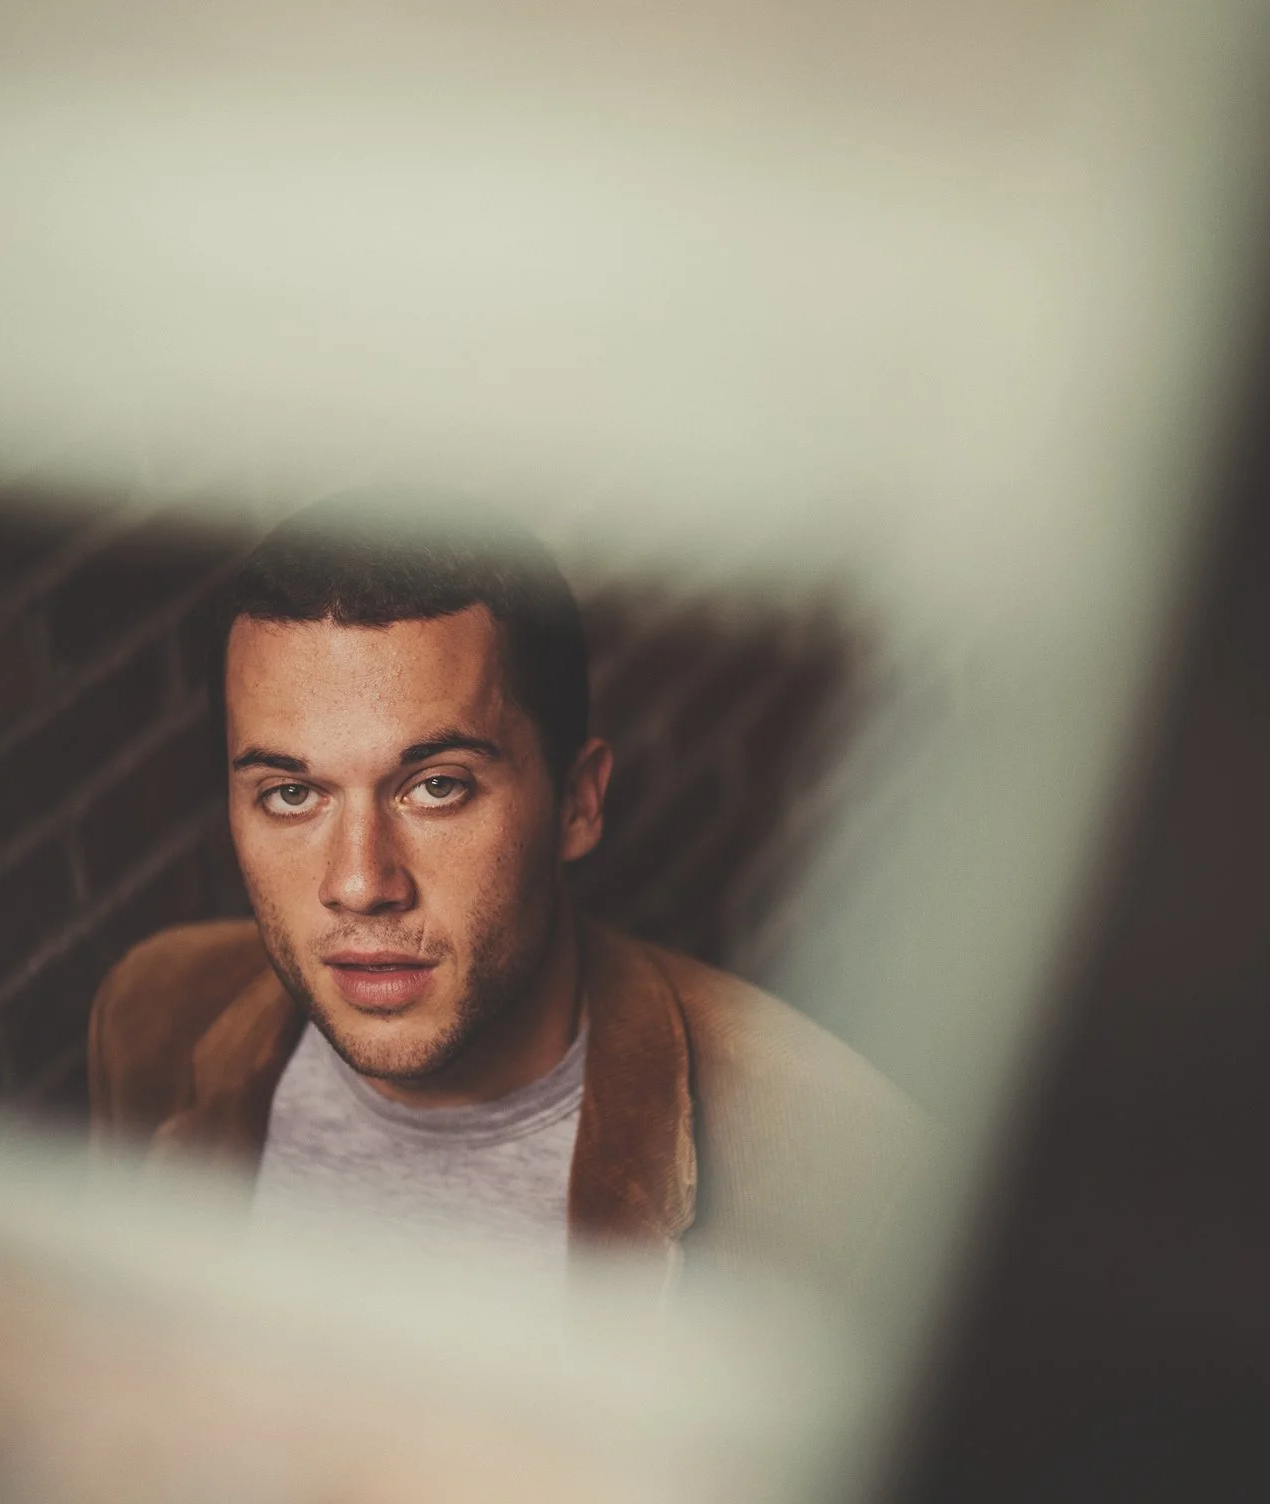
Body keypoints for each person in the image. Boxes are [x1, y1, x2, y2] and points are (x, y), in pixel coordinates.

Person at [87, 489, 919, 1292]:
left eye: (437, 786)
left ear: (577, 803)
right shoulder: (154, 1015)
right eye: (292, 794)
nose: (361, 884)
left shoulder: (840, 1173)